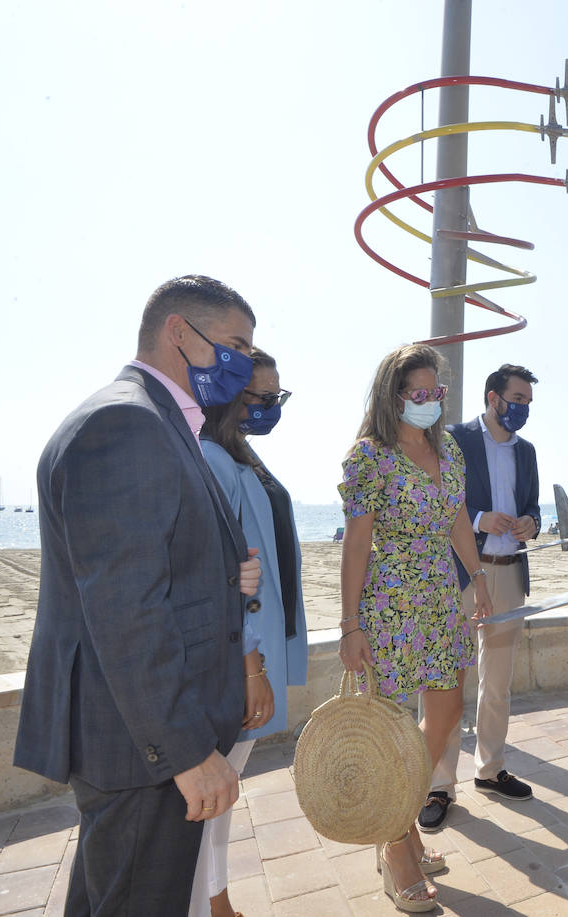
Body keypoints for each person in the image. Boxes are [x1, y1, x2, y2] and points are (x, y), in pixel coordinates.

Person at [14, 275, 262, 915]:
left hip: (133, 740)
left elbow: (153, 569)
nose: (243, 364)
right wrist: (185, 752)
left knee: (110, 897)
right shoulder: (128, 421)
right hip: (138, 749)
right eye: (234, 345)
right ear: (180, 332)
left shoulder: (157, 423)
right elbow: (127, 611)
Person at [336, 343, 492, 913]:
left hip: (440, 600)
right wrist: (350, 624)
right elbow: (356, 542)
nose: (429, 402)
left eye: (437, 393)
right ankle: (397, 844)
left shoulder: (447, 448)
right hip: (389, 604)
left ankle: (396, 814)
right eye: (417, 393)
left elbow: (455, 515)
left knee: (448, 713)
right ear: (393, 396)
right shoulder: (368, 457)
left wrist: (476, 574)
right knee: (394, 726)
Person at [191, 349, 309, 917]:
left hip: (256, 650)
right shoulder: (213, 458)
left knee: (222, 794)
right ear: (230, 398)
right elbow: (229, 575)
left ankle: (217, 899)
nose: (270, 407)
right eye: (261, 397)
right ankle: (208, 902)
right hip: (240, 659)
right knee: (212, 794)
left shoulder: (239, 454)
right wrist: (252, 666)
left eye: (276, 397)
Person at [422, 364, 541, 831]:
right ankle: (437, 784)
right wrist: (477, 519)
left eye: (528, 402)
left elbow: (530, 503)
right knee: (446, 682)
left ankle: (489, 770)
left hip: (509, 574)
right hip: (460, 575)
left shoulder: (527, 451)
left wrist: (530, 522)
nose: (523, 408)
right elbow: (436, 499)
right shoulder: (454, 438)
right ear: (493, 396)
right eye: (517, 398)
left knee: (498, 683)